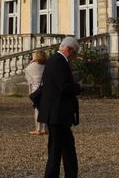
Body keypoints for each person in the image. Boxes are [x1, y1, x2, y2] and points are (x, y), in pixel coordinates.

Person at [37, 37, 81, 178]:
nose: (73, 58)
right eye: (74, 54)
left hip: (58, 113)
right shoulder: (58, 61)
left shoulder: (56, 60)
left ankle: (71, 174)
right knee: (56, 151)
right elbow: (63, 86)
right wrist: (78, 87)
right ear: (69, 50)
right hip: (57, 113)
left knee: (67, 148)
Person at [25, 50, 48, 135]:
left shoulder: (31, 67)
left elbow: (28, 79)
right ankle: (45, 128)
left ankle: (38, 129)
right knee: (45, 108)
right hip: (45, 89)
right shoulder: (47, 65)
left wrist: (31, 63)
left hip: (35, 90)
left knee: (37, 110)